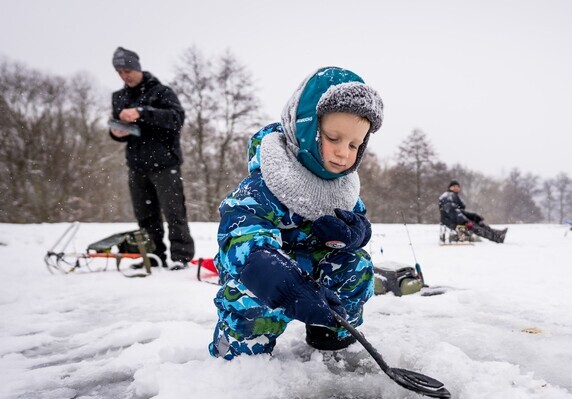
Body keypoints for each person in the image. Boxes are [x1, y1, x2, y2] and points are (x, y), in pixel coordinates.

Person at [209, 67, 383, 359]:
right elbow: (243, 242)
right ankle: (242, 357)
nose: (343, 152)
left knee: (355, 265)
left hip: (315, 270)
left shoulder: (342, 188)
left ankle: (332, 335)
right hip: (268, 273)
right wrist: (290, 287)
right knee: (250, 294)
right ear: (305, 127)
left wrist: (354, 234)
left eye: (354, 144)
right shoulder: (266, 183)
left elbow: (361, 222)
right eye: (333, 137)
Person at [109, 46, 194, 270]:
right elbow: (118, 130)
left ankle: (181, 256)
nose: (124, 75)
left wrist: (141, 113)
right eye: (119, 72)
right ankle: (153, 255)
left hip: (166, 164)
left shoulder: (161, 92)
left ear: (137, 68)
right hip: (136, 165)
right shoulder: (119, 98)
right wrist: (116, 132)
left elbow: (176, 118)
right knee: (145, 215)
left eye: (127, 70)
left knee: (174, 212)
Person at [438, 181, 507, 243]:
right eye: (454, 186)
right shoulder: (448, 196)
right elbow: (452, 211)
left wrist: (474, 216)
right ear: (450, 187)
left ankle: (497, 234)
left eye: (457, 186)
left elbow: (459, 211)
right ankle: (497, 238)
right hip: (451, 221)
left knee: (479, 223)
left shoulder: (453, 196)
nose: (456, 188)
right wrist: (465, 221)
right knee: (474, 227)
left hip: (456, 219)